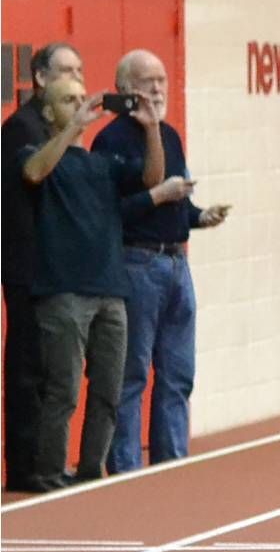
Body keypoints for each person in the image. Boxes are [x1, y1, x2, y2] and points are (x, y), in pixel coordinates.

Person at [17, 77, 188, 491]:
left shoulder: (101, 163)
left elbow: (152, 177)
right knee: (64, 389)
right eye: (68, 100)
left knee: (109, 389)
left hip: (110, 288)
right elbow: (35, 172)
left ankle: (92, 470)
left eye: (81, 97)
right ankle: (49, 472)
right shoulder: (37, 154)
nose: (80, 104)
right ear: (48, 111)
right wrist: (74, 126)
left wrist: (150, 128)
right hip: (64, 290)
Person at [92, 50, 231, 474]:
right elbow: (111, 214)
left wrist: (198, 216)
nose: (157, 89)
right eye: (147, 82)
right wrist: (158, 195)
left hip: (176, 263)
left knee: (177, 373)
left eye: (162, 80)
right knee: (132, 373)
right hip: (138, 263)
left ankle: (173, 462)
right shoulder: (110, 141)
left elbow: (177, 201)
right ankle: (126, 467)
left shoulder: (170, 135)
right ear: (125, 90)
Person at [2, 43, 83, 491]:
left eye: (80, 69)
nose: (75, 78)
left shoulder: (59, 127)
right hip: (26, 263)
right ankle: (25, 466)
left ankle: (45, 461)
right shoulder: (22, 128)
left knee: (50, 369)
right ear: (39, 78)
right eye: (65, 70)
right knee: (29, 365)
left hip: (51, 264)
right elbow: (31, 182)